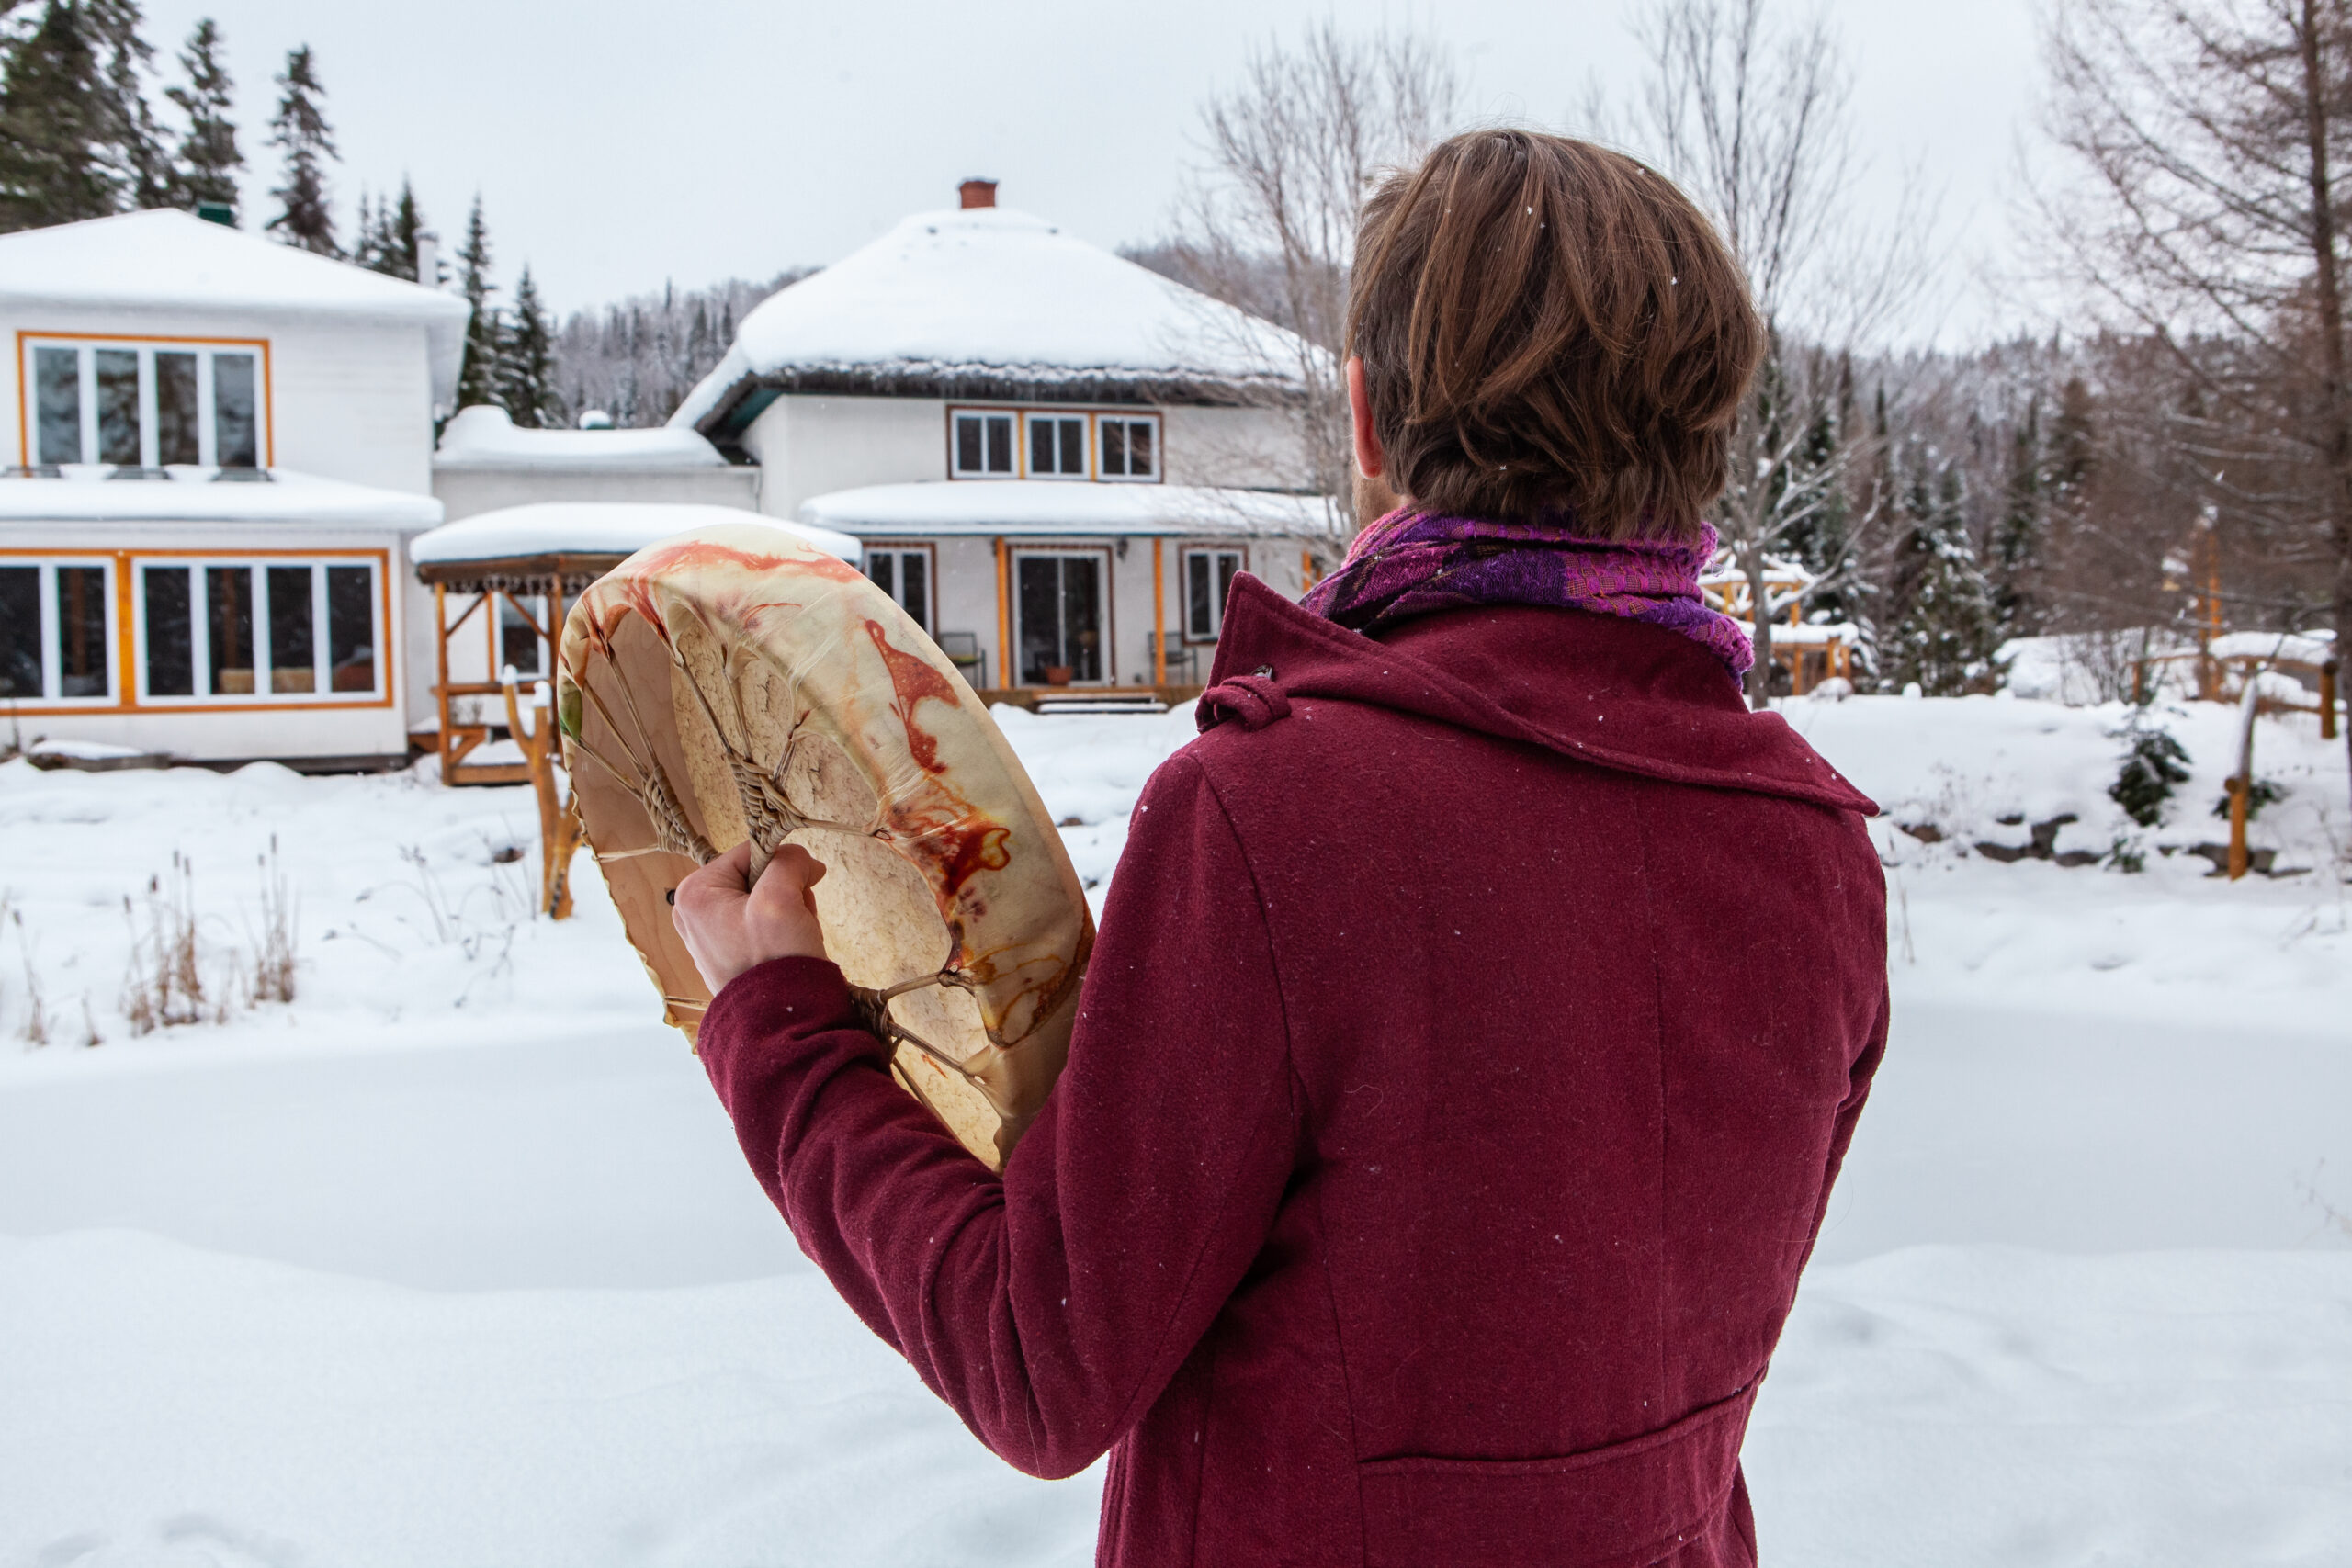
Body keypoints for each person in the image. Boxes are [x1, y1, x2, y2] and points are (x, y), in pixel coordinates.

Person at [673, 128, 1887, 1568]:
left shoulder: (1278, 819)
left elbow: (1041, 1360)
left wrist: (780, 1028)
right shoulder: (1815, 852)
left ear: (1367, 422)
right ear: (1704, 441)